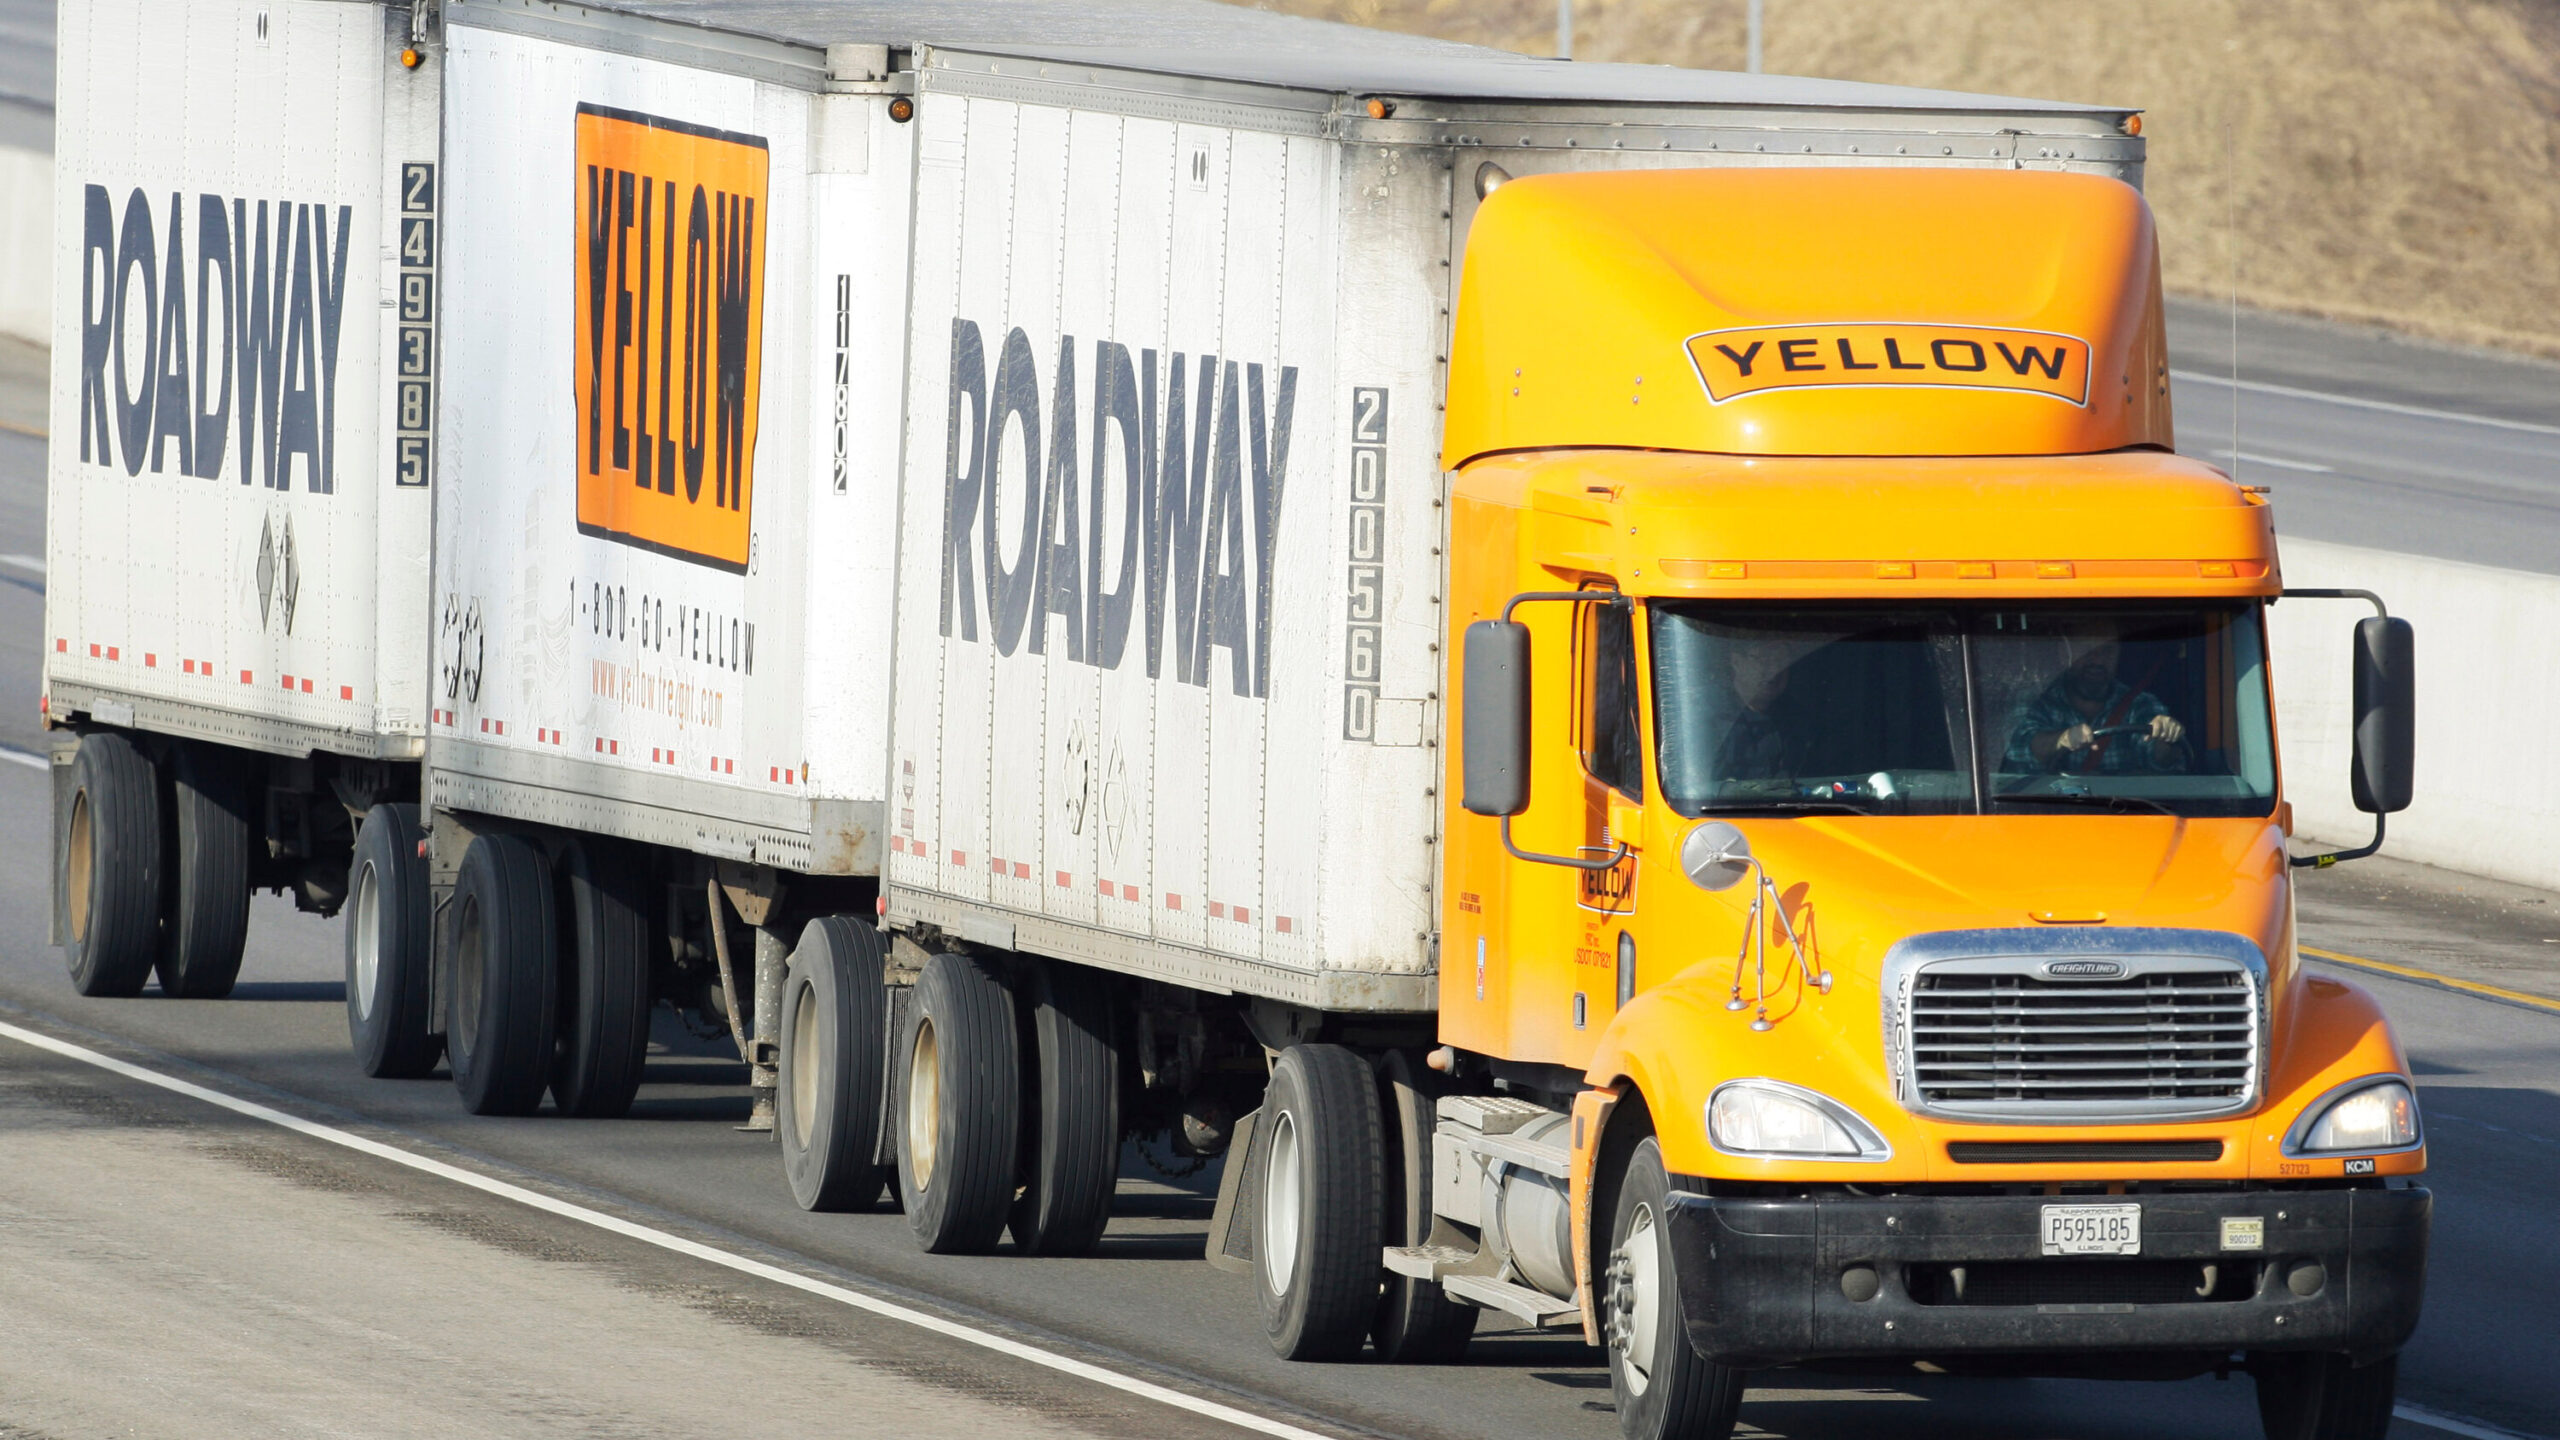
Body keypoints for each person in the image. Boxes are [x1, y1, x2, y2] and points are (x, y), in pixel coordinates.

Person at [2006, 636, 2188, 774]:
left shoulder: (2140, 703)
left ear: (2118, 654)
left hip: (2125, 816)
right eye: (2087, 649)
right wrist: (2062, 740)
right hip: (2049, 817)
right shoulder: (2036, 702)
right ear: (2064, 653)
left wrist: (2165, 735)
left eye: (2107, 650)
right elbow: (2018, 748)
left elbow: (2162, 759)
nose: (2098, 660)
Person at [1715, 644, 1796, 781]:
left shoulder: (1801, 718)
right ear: (1737, 662)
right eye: (1764, 660)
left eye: (1781, 660)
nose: (1775, 669)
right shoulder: (1708, 717)